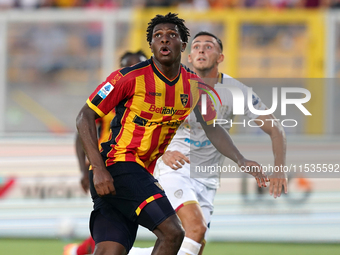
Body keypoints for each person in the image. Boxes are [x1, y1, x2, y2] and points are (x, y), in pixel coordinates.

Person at [76, 13, 267, 255]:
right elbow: (84, 116)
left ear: (183, 45)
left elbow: (213, 127)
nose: (164, 40)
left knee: (109, 251)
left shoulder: (194, 86)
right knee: (174, 233)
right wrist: (98, 168)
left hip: (136, 172)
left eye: (171, 36)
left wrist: (241, 159)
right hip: (118, 165)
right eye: (158, 36)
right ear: (152, 45)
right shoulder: (128, 78)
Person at [128, 31, 287, 255]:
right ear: (190, 57)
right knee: (195, 228)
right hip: (174, 169)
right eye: (196, 46)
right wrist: (161, 154)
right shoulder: (172, 85)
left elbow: (276, 129)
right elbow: (142, 124)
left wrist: (278, 168)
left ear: (220, 57)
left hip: (207, 179)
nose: (201, 49)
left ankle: (126, 253)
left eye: (209, 46)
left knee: (192, 244)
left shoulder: (236, 91)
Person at [64, 50, 148, 255]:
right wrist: (85, 170)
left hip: (141, 165)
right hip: (108, 165)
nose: (132, 70)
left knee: (118, 219)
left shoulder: (148, 98)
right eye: (127, 66)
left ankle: (79, 250)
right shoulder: (109, 94)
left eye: (138, 66)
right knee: (117, 216)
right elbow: (82, 127)